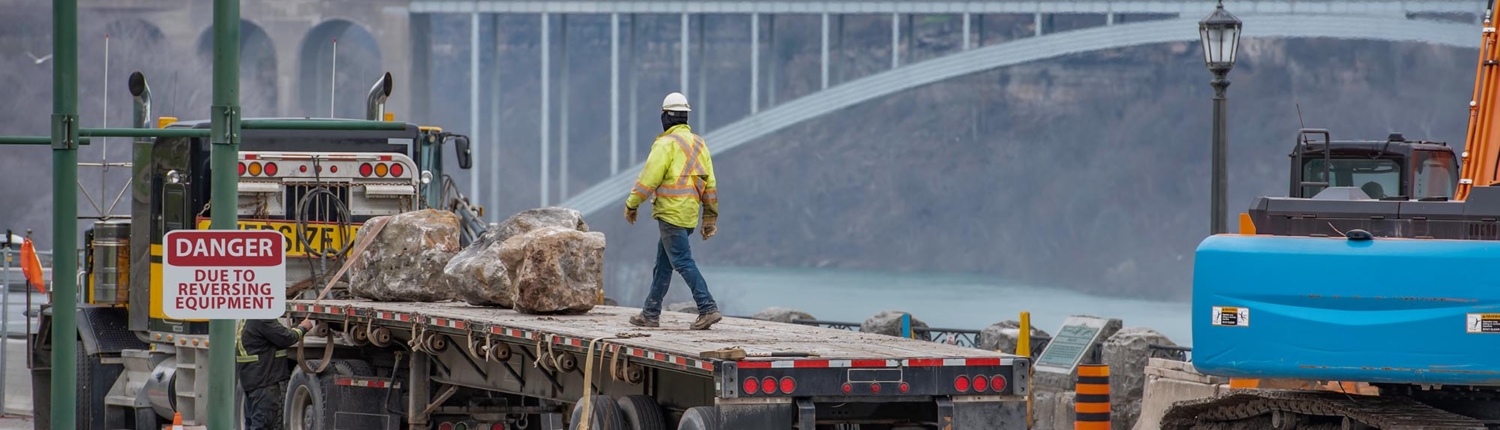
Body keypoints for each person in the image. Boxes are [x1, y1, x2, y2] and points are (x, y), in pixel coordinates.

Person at [625, 91, 723, 331]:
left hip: (671, 213)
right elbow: (710, 184)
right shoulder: (700, 144)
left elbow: (649, 179)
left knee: (680, 260)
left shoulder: (666, 144)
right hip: (689, 215)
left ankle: (707, 307)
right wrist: (709, 217)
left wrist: (632, 204)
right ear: (686, 117)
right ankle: (650, 313)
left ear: (665, 117)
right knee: (664, 264)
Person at [237, 318, 313, 430]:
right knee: (263, 426)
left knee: (253, 424)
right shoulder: (262, 319)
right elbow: (286, 338)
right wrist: (303, 328)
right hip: (264, 382)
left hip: (253, 381)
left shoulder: (249, 318)